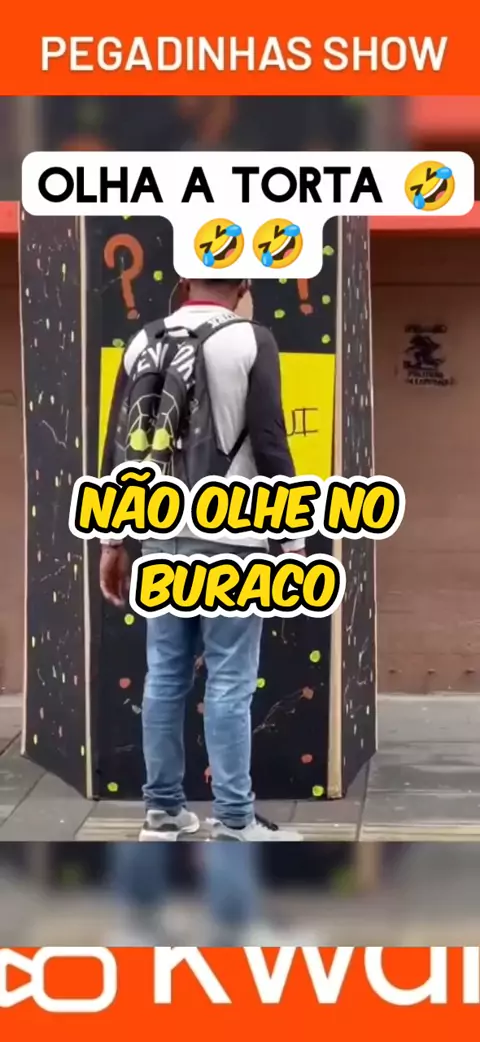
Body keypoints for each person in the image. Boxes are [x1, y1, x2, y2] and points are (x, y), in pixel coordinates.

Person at [99, 278, 305, 842]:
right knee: (230, 682)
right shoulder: (252, 339)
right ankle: (235, 819)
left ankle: (163, 811)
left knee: (164, 676)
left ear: (186, 281)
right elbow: (270, 442)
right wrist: (292, 543)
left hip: (158, 535)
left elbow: (118, 447)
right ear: (242, 287)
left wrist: (112, 542)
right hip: (232, 537)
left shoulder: (142, 341)